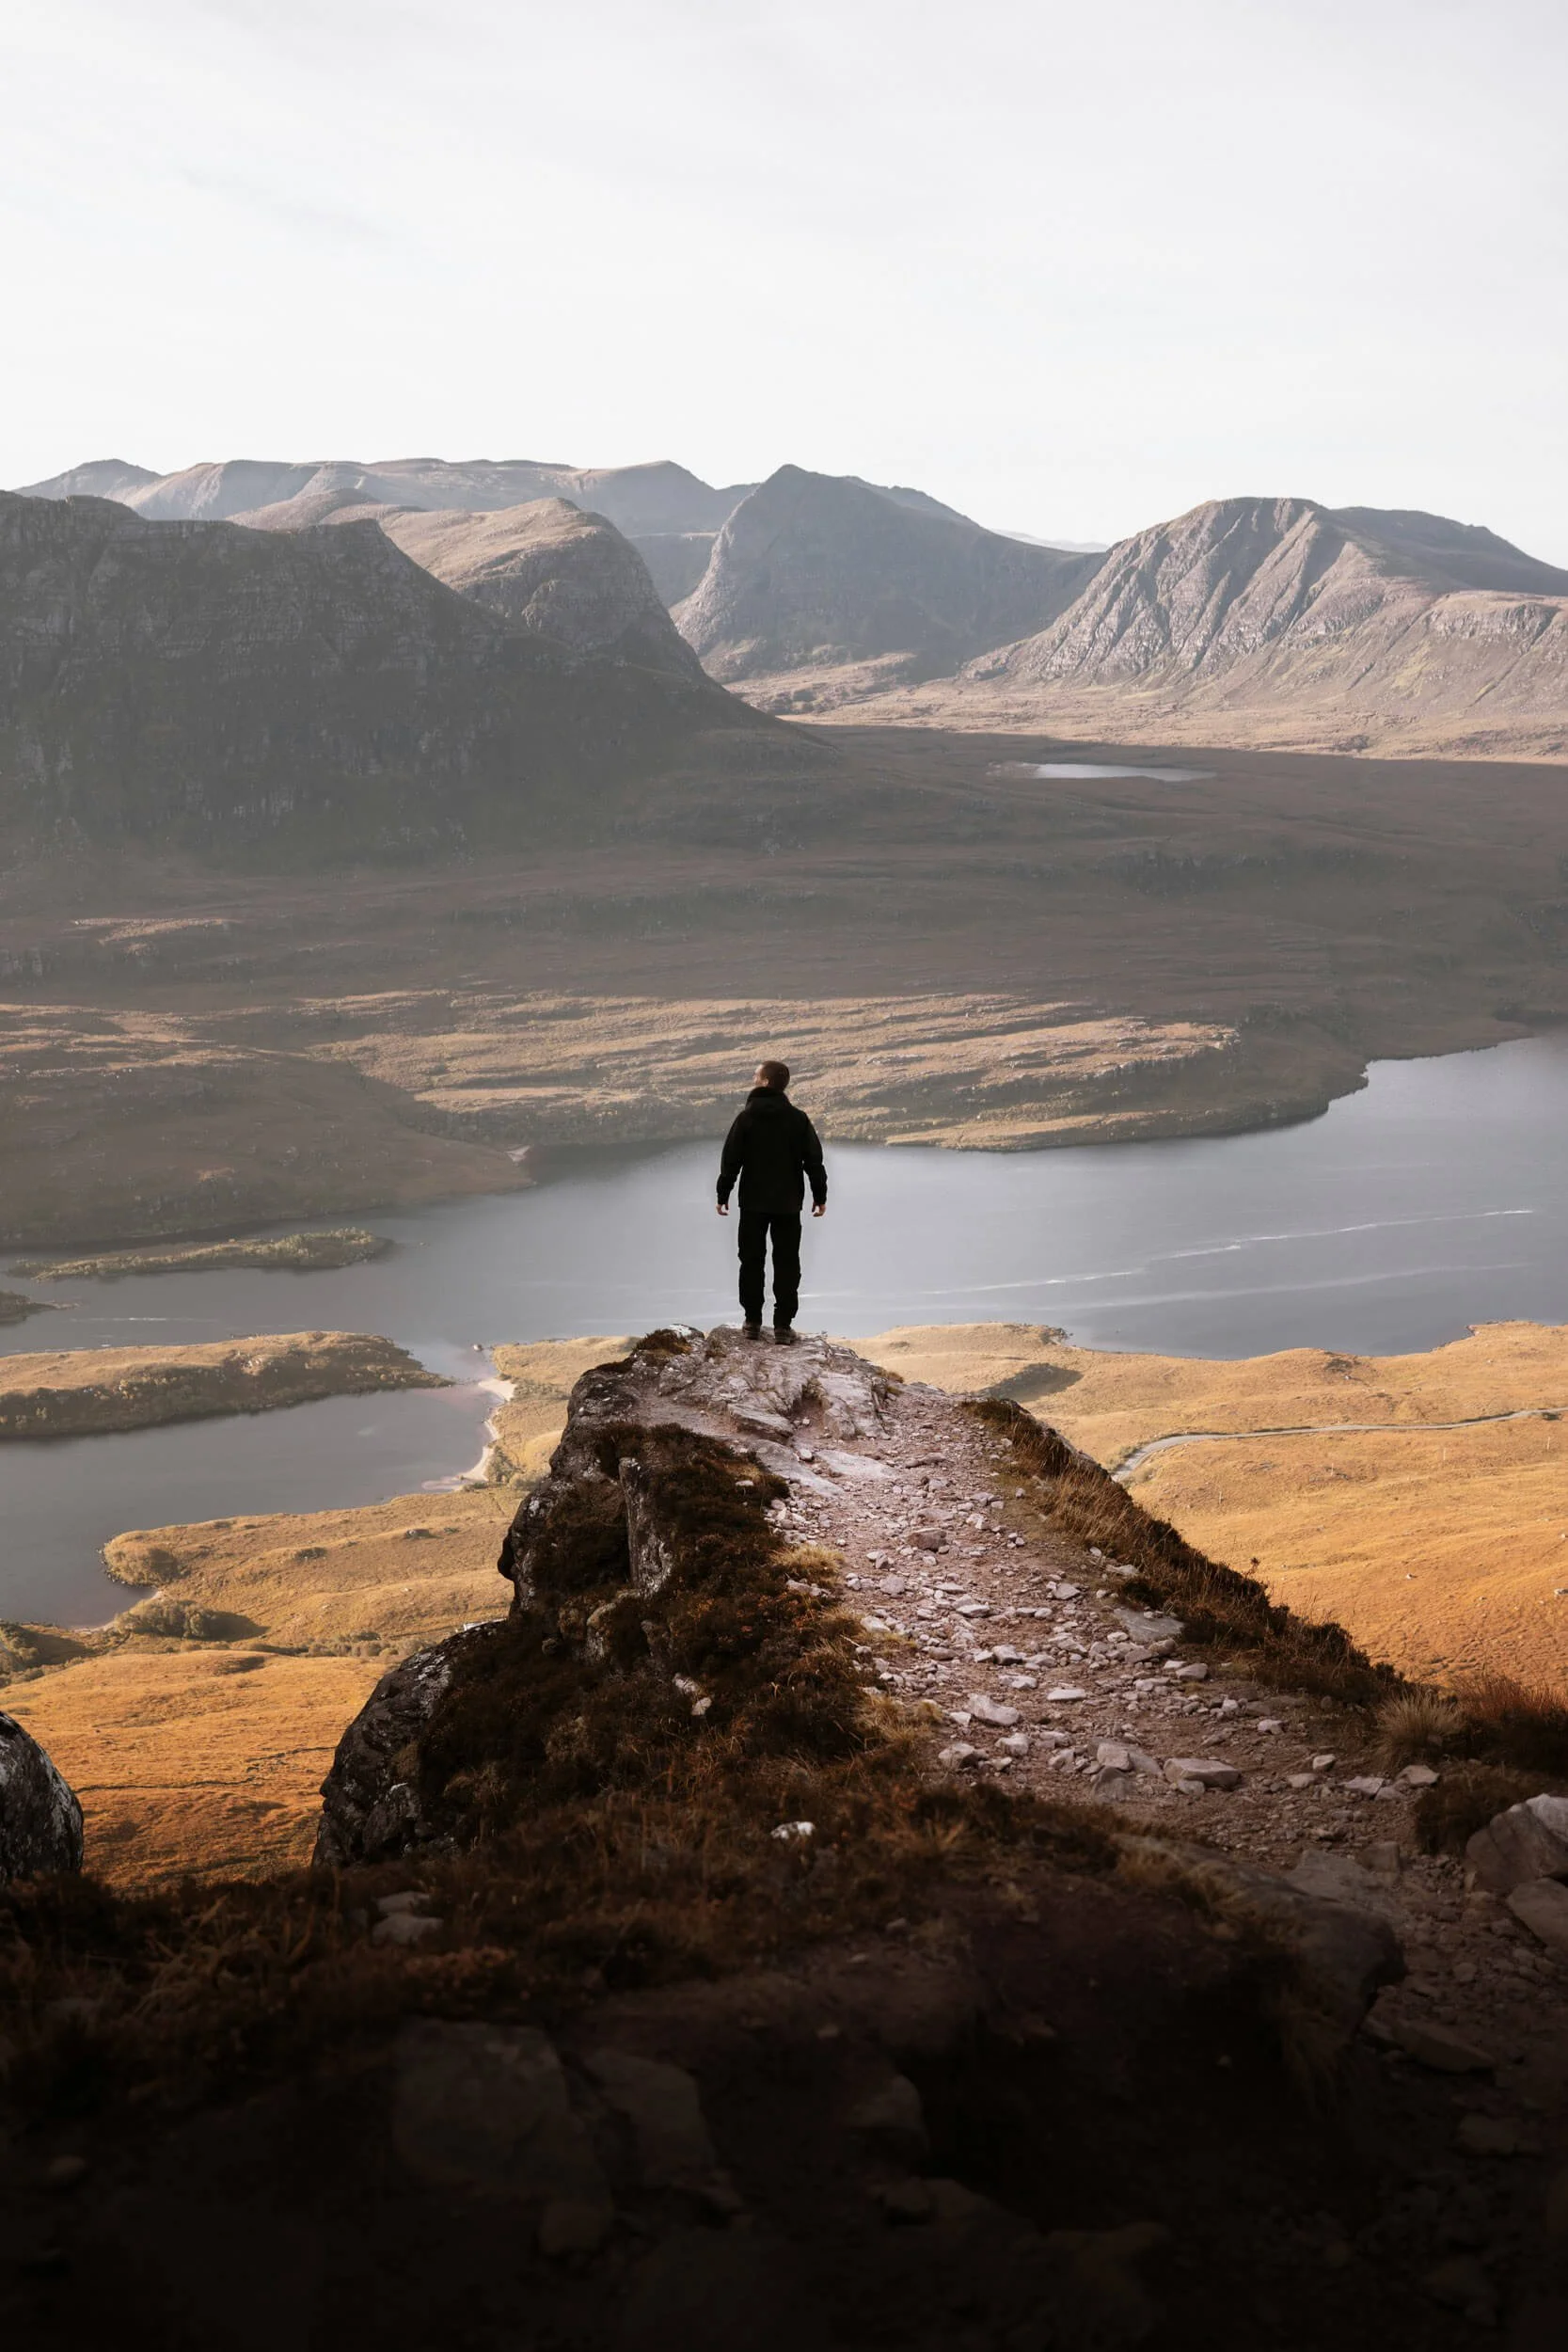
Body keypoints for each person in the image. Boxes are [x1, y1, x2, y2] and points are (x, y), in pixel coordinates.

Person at [716, 1059, 827, 1342]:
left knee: (751, 1261)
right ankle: (782, 1326)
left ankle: (752, 1322)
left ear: (765, 1082)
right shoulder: (798, 1119)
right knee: (787, 1262)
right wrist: (819, 1195)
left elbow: (731, 1160)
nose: (754, 1078)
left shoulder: (746, 1118)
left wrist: (723, 1193)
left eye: (756, 1075)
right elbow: (813, 1160)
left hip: (752, 1203)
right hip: (788, 1205)